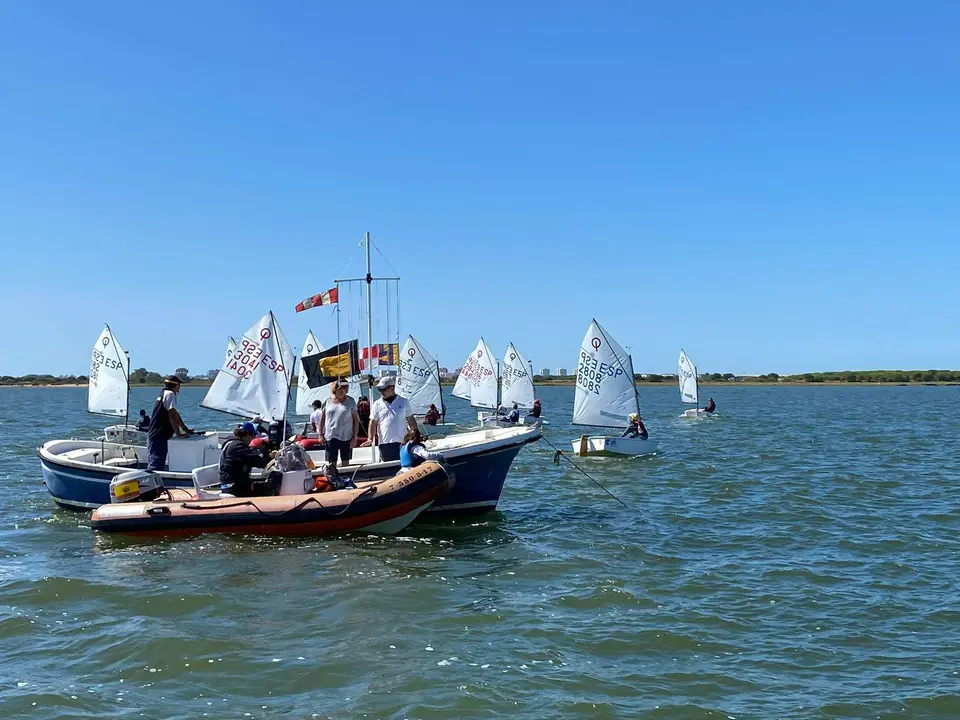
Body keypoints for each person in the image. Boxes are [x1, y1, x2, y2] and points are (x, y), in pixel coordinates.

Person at [361, 375, 418, 462]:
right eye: (379, 389)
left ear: (392, 388)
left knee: (405, 464)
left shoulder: (403, 401)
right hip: (385, 443)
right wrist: (370, 438)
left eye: (384, 389)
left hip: (402, 442)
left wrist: (416, 434)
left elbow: (410, 419)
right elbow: (372, 422)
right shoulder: (377, 404)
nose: (381, 392)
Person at [146, 375, 190, 471]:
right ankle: (153, 484)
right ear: (175, 385)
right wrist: (178, 434)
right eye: (179, 385)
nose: (180, 388)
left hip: (156, 434)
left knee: (156, 459)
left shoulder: (163, 393)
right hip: (159, 434)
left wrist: (185, 428)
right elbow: (172, 416)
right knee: (156, 463)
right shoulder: (170, 394)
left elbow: (175, 415)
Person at [219, 423, 277, 497]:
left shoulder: (233, 444)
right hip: (234, 487)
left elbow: (252, 454)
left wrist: (267, 455)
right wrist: (270, 458)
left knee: (262, 487)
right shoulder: (237, 447)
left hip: (232, 484)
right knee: (270, 489)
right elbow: (258, 461)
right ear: (246, 435)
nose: (253, 439)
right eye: (253, 435)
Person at [319, 380, 359, 467]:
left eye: (345, 388)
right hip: (331, 436)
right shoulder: (327, 401)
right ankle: (333, 478)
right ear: (334, 389)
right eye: (339, 388)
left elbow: (356, 420)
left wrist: (354, 437)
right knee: (331, 463)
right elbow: (322, 419)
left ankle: (345, 478)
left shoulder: (351, 401)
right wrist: (320, 434)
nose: (342, 390)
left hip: (346, 436)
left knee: (346, 461)